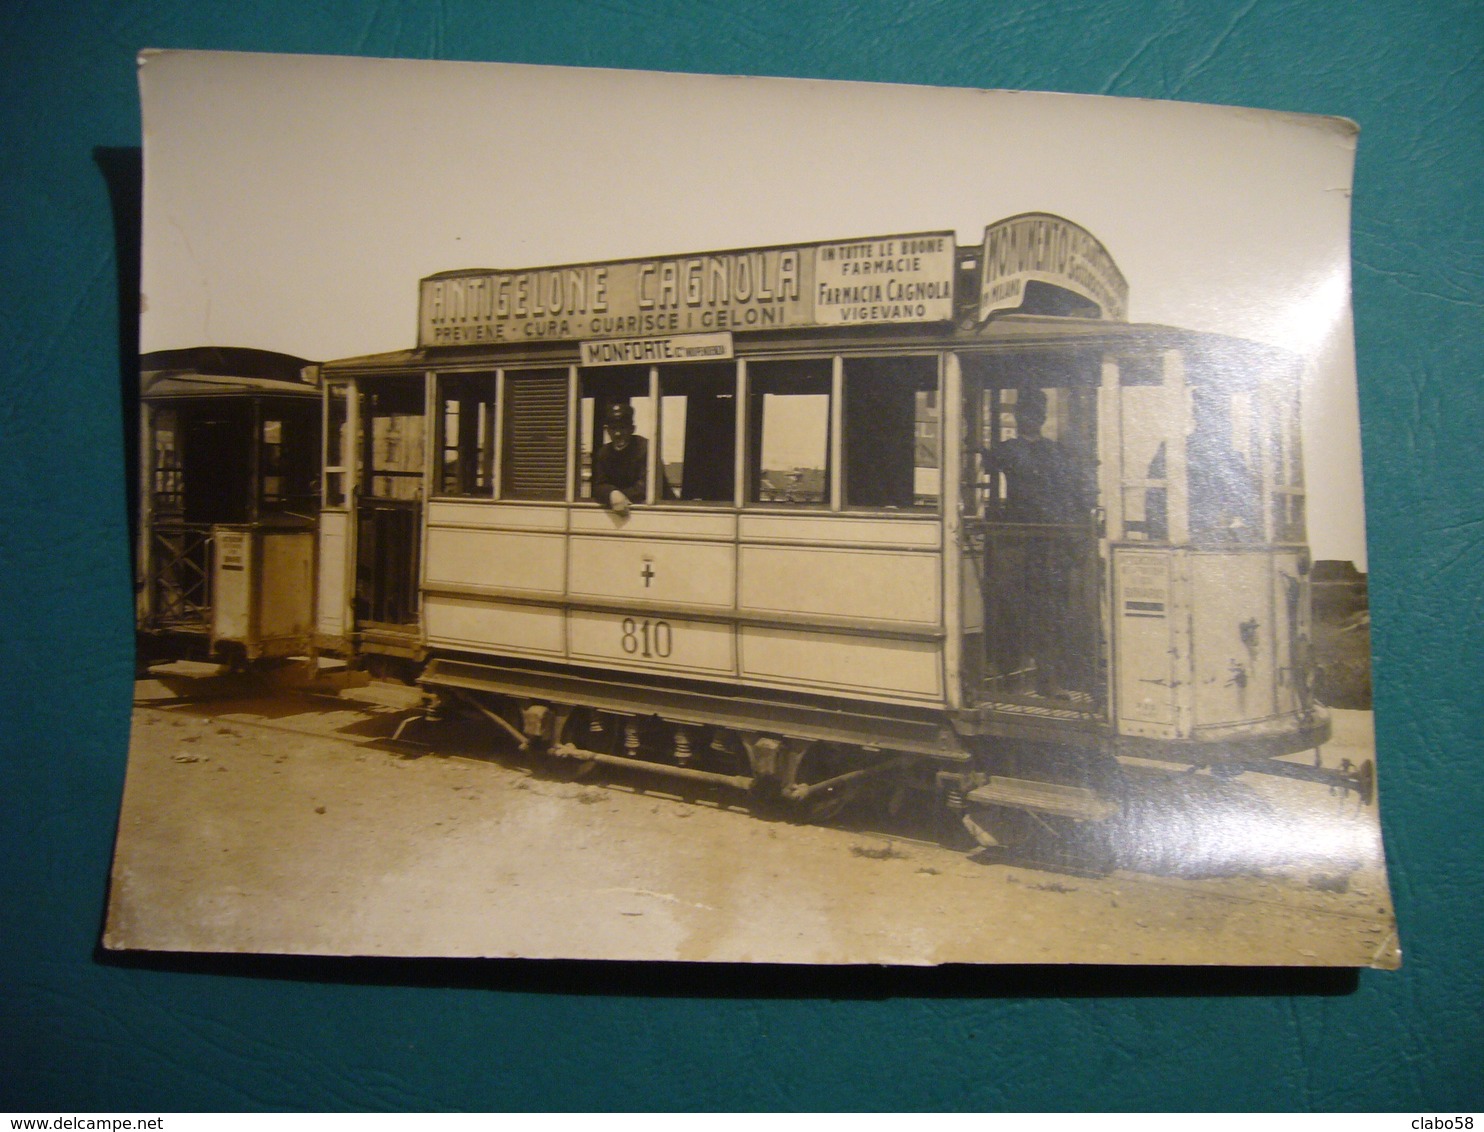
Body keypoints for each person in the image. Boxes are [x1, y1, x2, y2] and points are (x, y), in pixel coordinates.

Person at [981, 388, 1093, 699]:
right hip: (1020, 543)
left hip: (1042, 544)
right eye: (1026, 413)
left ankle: (1043, 677)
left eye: (1035, 414)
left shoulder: (1049, 453)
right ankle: (1010, 672)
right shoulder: (1011, 451)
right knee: (1017, 607)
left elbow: (1072, 491)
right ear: (1020, 417)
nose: (1030, 419)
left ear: (1040, 417)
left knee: (1045, 610)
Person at [592, 401, 657, 515]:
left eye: (622, 428)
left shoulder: (646, 448)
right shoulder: (603, 453)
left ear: (632, 429)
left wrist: (619, 495)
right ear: (607, 430)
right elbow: (599, 485)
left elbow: (647, 486)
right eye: (613, 428)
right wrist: (611, 493)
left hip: (655, 511)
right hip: (621, 508)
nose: (617, 434)